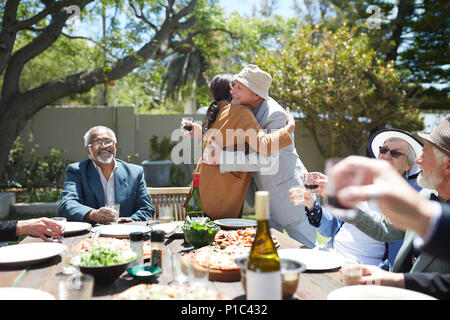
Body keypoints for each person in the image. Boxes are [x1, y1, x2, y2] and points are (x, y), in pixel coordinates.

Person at [201, 65, 316, 248]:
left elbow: (266, 160)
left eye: (240, 87)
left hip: (289, 195)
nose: (233, 91)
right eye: (234, 85)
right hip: (266, 199)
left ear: (256, 94)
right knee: (267, 251)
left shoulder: (275, 114)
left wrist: (223, 159)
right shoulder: (244, 110)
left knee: (307, 251)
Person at [289, 129, 422, 270]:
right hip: (332, 254)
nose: (387, 156)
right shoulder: (361, 185)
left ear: (409, 165)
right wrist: (311, 205)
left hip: (367, 269)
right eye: (383, 150)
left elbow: (384, 230)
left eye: (395, 153)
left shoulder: (412, 196)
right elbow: (331, 228)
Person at [184, 73, 295, 219]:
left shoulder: (217, 111)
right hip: (220, 195)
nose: (236, 89)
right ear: (230, 90)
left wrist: (198, 131)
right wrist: (288, 129)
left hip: (202, 192)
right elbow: (264, 144)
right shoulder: (240, 112)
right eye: (235, 86)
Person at [58, 126, 154, 223]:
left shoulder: (134, 172)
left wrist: (131, 220)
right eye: (97, 142)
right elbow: (67, 205)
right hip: (92, 234)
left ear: (115, 146)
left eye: (108, 141)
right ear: (88, 150)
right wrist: (93, 215)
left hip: (126, 232)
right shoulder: (77, 171)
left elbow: (146, 208)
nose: (104, 146)